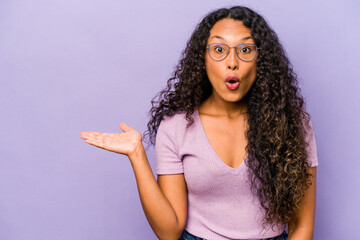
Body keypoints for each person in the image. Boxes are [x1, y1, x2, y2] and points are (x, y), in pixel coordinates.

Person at [80, 6, 318, 240]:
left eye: (245, 49)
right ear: (202, 59)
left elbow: (302, 225)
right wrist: (137, 155)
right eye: (218, 49)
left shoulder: (291, 121)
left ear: (261, 60)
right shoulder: (176, 126)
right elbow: (169, 231)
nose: (232, 62)